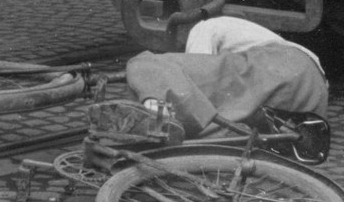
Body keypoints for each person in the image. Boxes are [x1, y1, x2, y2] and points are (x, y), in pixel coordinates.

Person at [125, 16, 329, 138]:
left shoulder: (202, 29)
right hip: (311, 92)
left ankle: (158, 116)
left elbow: (201, 70)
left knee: (147, 64)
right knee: (225, 103)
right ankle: (160, 115)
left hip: (283, 67)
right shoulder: (232, 29)